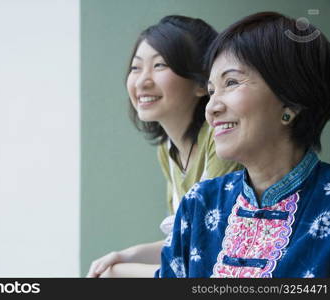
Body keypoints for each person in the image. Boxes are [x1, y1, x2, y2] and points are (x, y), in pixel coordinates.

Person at [156, 11, 330, 278]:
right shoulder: (199, 204)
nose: (212, 107)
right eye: (212, 90)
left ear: (290, 103)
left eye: (232, 82)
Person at [87, 15, 241, 278]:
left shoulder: (220, 139)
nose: (142, 81)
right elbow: (182, 242)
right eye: (136, 68)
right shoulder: (168, 150)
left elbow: (204, 253)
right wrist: (125, 255)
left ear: (202, 83)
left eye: (160, 65)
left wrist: (119, 271)